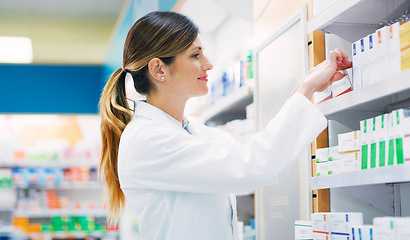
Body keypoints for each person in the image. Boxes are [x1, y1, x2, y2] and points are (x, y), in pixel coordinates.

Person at [99, 11, 352, 240]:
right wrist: (306, 89)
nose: (208, 64)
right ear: (158, 69)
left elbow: (255, 153)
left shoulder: (195, 132)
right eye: (195, 55)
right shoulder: (148, 140)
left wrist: (306, 87)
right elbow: (254, 166)